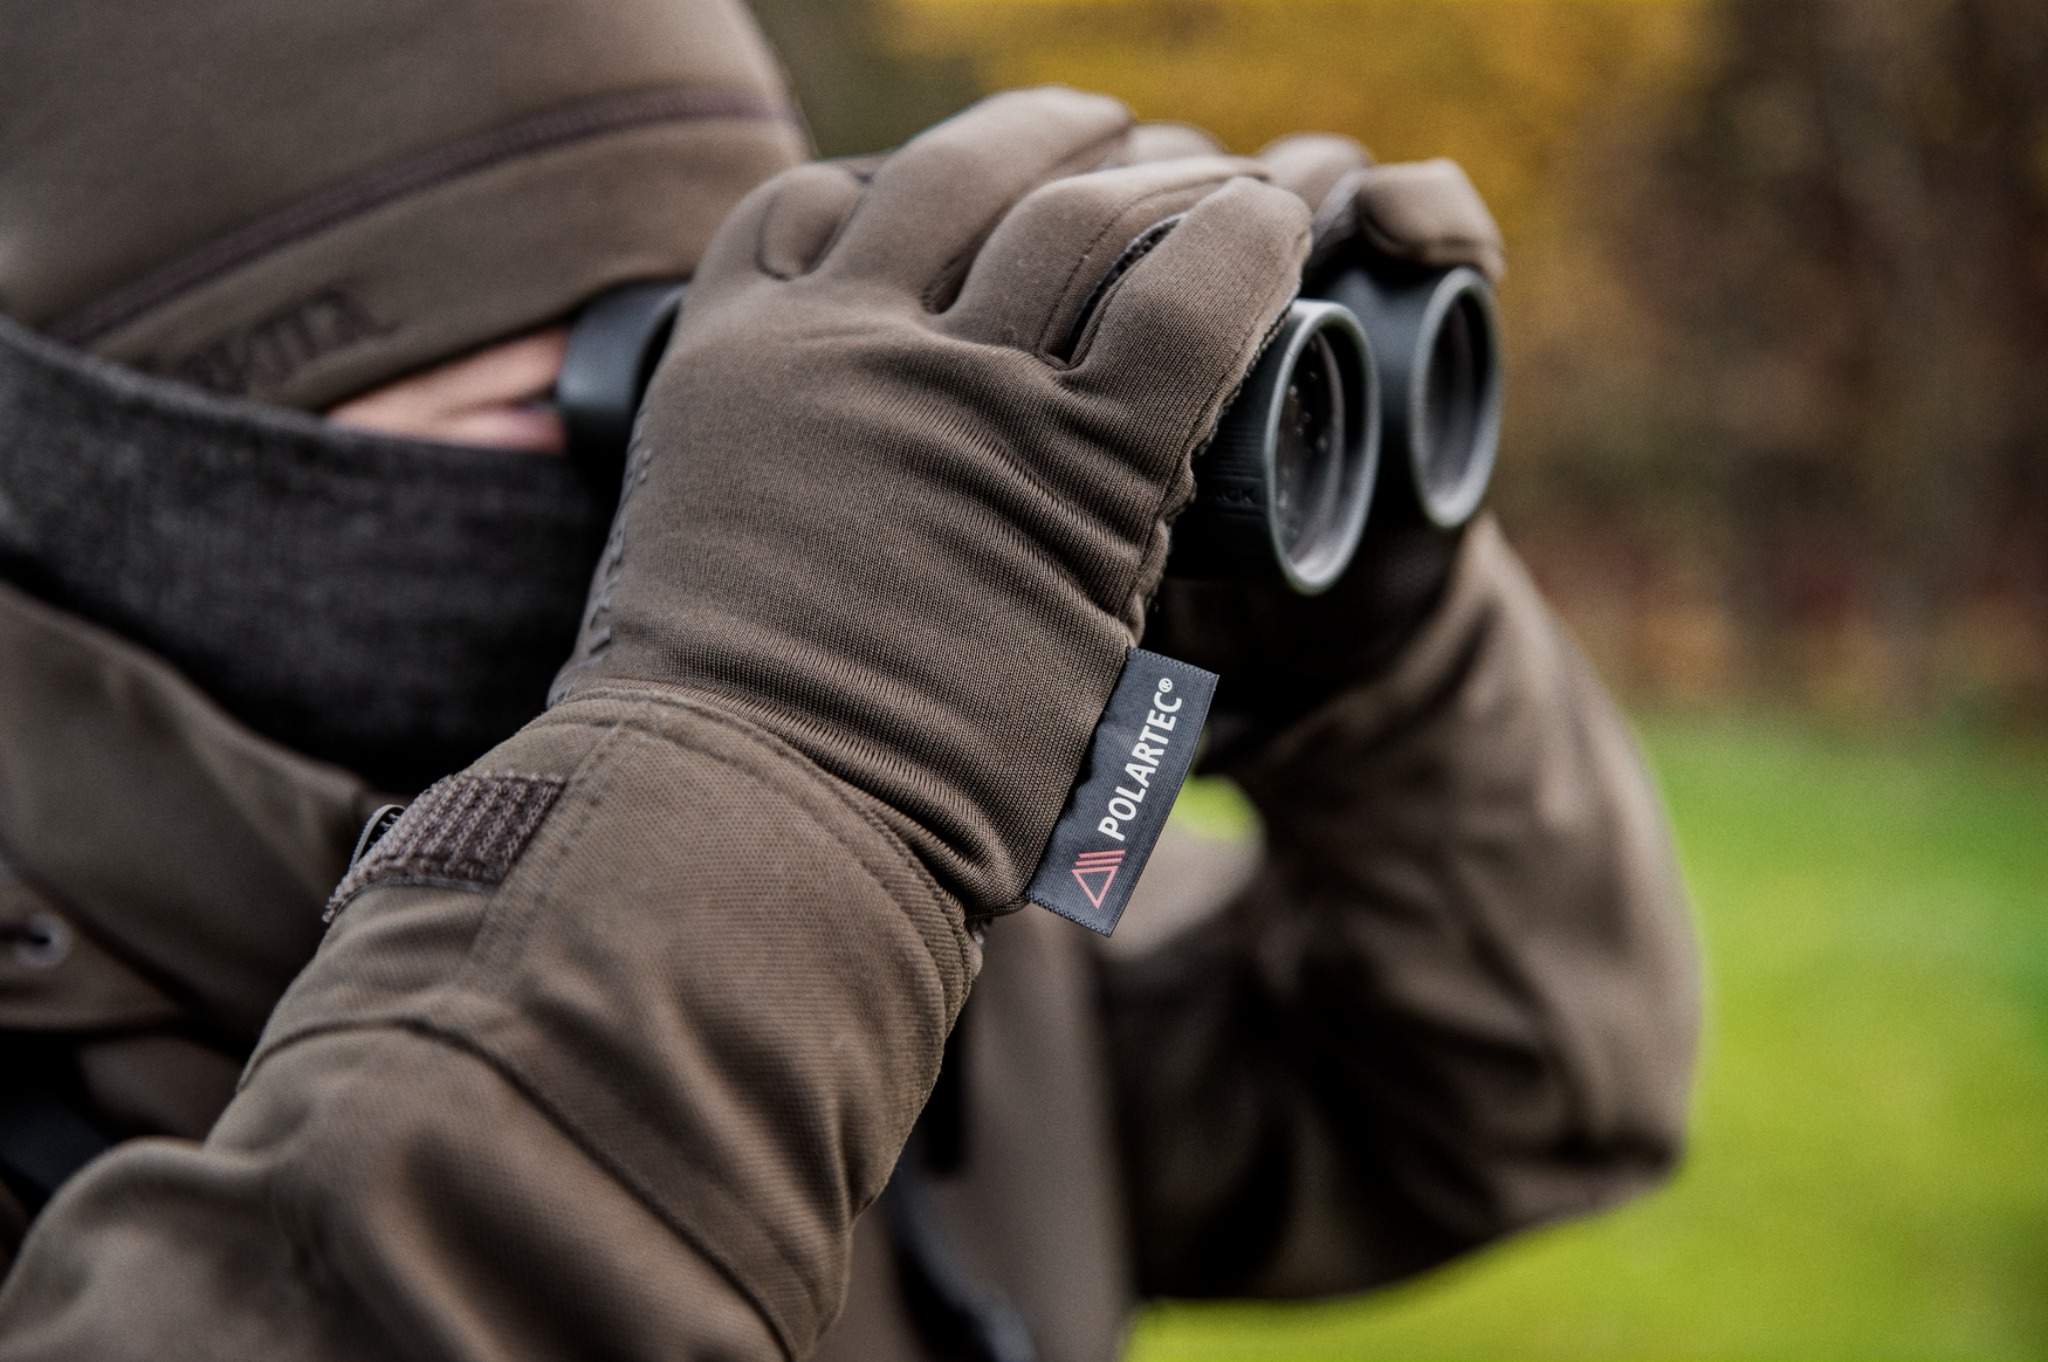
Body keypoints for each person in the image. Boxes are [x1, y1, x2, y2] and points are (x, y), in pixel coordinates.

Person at [0, 3, 1700, 1359]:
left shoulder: (910, 908)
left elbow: (1518, 1091)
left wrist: (1382, 657)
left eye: (746, 365)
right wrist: (783, 747)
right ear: (153, 476)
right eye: (619, 398)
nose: (693, 499)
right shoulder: (833, 824)